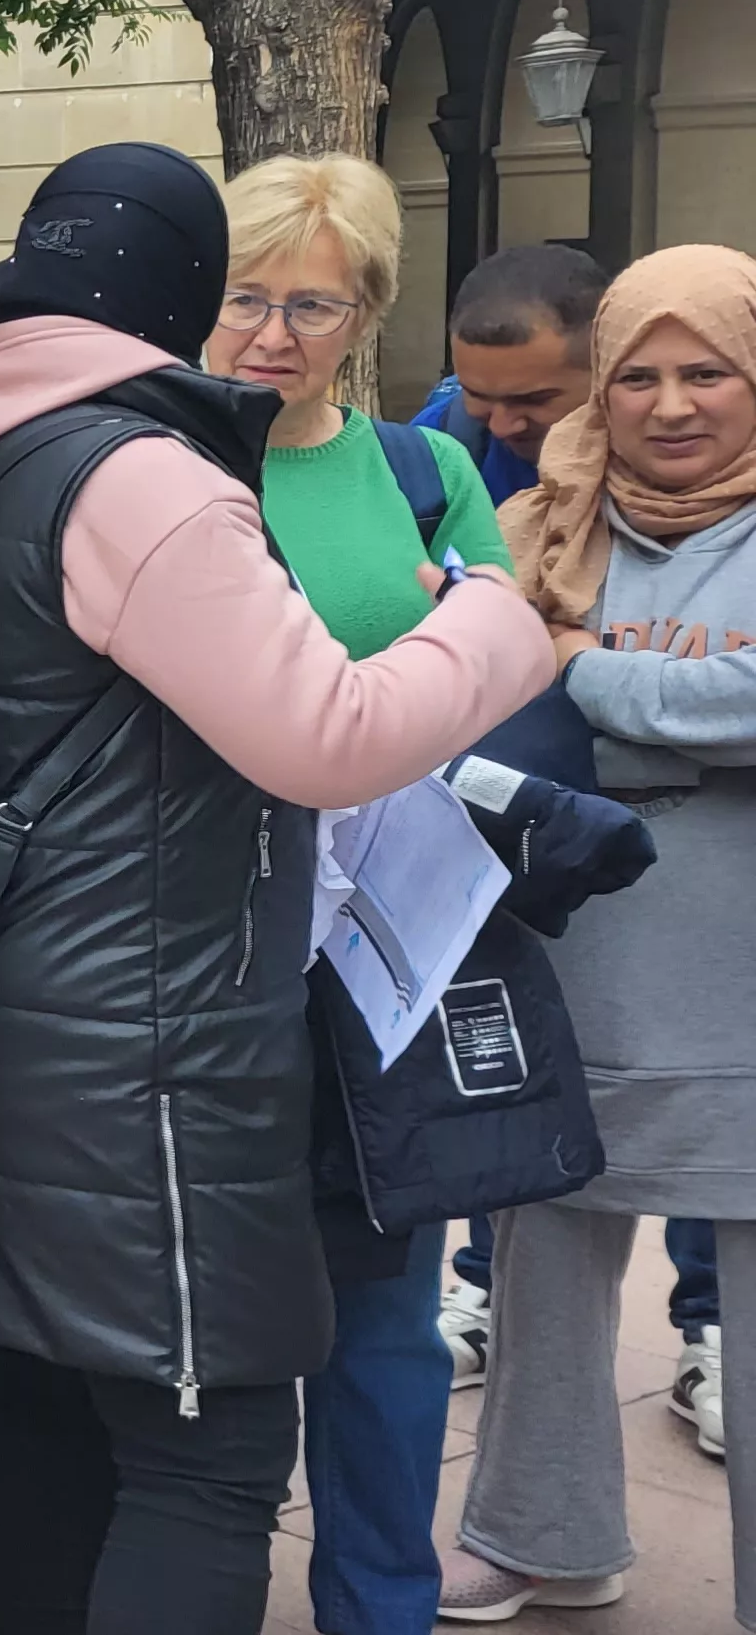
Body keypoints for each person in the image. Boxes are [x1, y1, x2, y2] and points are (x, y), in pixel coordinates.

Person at [0, 143, 549, 1635]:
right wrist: (503, 619)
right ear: (183, 290)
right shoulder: (140, 475)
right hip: (153, 1053)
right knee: (209, 1446)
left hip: (7, 1020)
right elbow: (328, 732)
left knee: (55, 1395)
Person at [190, 154, 502, 1635]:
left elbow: (513, 650)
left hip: (380, 954)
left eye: (312, 303)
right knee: (211, 1325)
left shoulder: (422, 472)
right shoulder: (155, 466)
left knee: (385, 1325)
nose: (272, 331)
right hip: (192, 945)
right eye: (245, 295)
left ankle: (383, 1607)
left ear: (367, 311)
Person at [441, 243, 756, 1625]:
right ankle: (543, 1534)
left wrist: (581, 676)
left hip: (739, 994)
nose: (672, 404)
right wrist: (677, 723)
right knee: (546, 1269)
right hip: (572, 977)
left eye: (710, 372)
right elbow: (474, 707)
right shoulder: (541, 522)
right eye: (640, 374)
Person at [415, 244, 613, 505]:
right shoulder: (426, 451)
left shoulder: (669, 453)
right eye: (476, 395)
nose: (501, 427)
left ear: (605, 372)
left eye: (532, 400)